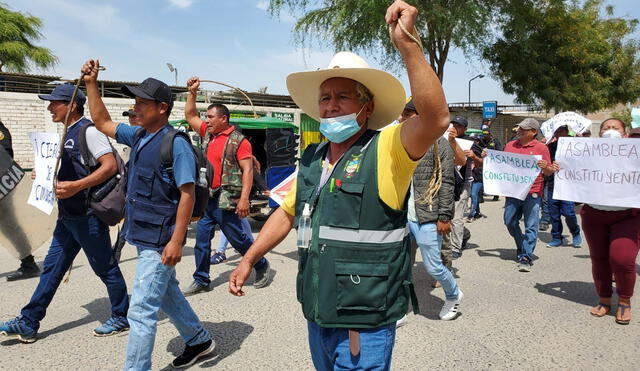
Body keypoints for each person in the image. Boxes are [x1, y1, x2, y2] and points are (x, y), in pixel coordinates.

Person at [228, 2, 450, 369]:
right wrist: (250, 258)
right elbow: (287, 213)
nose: (330, 106)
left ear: (367, 106)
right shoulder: (314, 157)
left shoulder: (388, 147)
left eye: (343, 96)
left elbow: (436, 118)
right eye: (325, 98)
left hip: (364, 318)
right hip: (319, 312)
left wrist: (408, 45)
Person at [82, 61, 215, 369]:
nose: (135, 108)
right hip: (141, 233)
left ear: (162, 108)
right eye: (136, 102)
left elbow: (187, 193)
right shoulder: (139, 135)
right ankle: (199, 340)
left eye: (142, 103)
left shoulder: (175, 144)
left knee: (141, 310)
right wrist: (91, 83)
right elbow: (102, 122)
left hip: (161, 239)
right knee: (167, 293)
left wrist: (177, 242)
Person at [0, 84, 130, 343]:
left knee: (105, 268)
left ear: (71, 106)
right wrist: (43, 176)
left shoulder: (88, 131)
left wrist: (77, 186)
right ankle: (28, 322)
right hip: (67, 217)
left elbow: (110, 165)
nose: (49, 107)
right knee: (51, 269)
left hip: (87, 216)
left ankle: (120, 316)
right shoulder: (65, 132)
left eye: (54, 103)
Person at [183, 78, 270, 295]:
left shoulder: (239, 141)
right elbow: (190, 115)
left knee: (238, 239)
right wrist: (192, 93)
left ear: (224, 119)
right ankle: (201, 279)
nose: (207, 120)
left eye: (211, 117)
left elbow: (248, 170)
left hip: (225, 199)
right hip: (206, 199)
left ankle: (261, 265)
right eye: (207, 117)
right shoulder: (207, 134)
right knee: (201, 241)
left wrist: (243, 199)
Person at [403, 101, 462, 321]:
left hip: (427, 216)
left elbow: (447, 182)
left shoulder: (439, 144)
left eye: (408, 114)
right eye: (402, 114)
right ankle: (399, 310)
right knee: (400, 265)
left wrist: (445, 216)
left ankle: (453, 295)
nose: (403, 117)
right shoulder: (399, 142)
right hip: (403, 217)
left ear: (421, 117)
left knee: (434, 266)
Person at [584, 118, 639, 325]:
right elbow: (571, 173)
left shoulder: (636, 154)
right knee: (599, 258)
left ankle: (624, 299)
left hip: (627, 216)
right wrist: (553, 170)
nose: (610, 131)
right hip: (594, 215)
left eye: (615, 128)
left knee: (621, 258)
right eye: (606, 128)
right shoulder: (587, 155)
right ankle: (604, 299)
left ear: (625, 134)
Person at [501, 118, 557, 272]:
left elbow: (548, 172)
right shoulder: (510, 145)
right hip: (513, 191)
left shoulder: (541, 148)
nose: (518, 131)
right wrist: (488, 157)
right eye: (518, 128)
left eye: (523, 129)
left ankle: (526, 255)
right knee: (509, 221)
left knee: (531, 225)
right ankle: (521, 244)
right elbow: (501, 166)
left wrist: (546, 167)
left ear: (533, 132)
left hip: (533, 192)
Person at [0, 120, 40, 281]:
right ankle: (28, 263)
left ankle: (29, 264)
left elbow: (4, 157)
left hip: (2, 187)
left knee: (10, 225)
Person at [448, 116, 482, 259]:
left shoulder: (470, 142)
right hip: (444, 183)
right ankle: (464, 235)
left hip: (462, 185)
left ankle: (455, 247)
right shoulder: (441, 137)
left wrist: (474, 156)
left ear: (465, 129)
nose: (455, 127)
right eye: (453, 124)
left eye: (459, 125)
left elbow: (482, 163)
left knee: (456, 217)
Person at [545, 125, 582, 248]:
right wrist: (549, 166)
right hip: (553, 184)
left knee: (569, 212)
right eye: (556, 131)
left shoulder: (575, 146)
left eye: (561, 131)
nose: (558, 133)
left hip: (568, 185)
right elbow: (545, 164)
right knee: (553, 213)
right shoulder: (550, 147)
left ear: (566, 132)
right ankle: (556, 237)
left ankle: (575, 233)